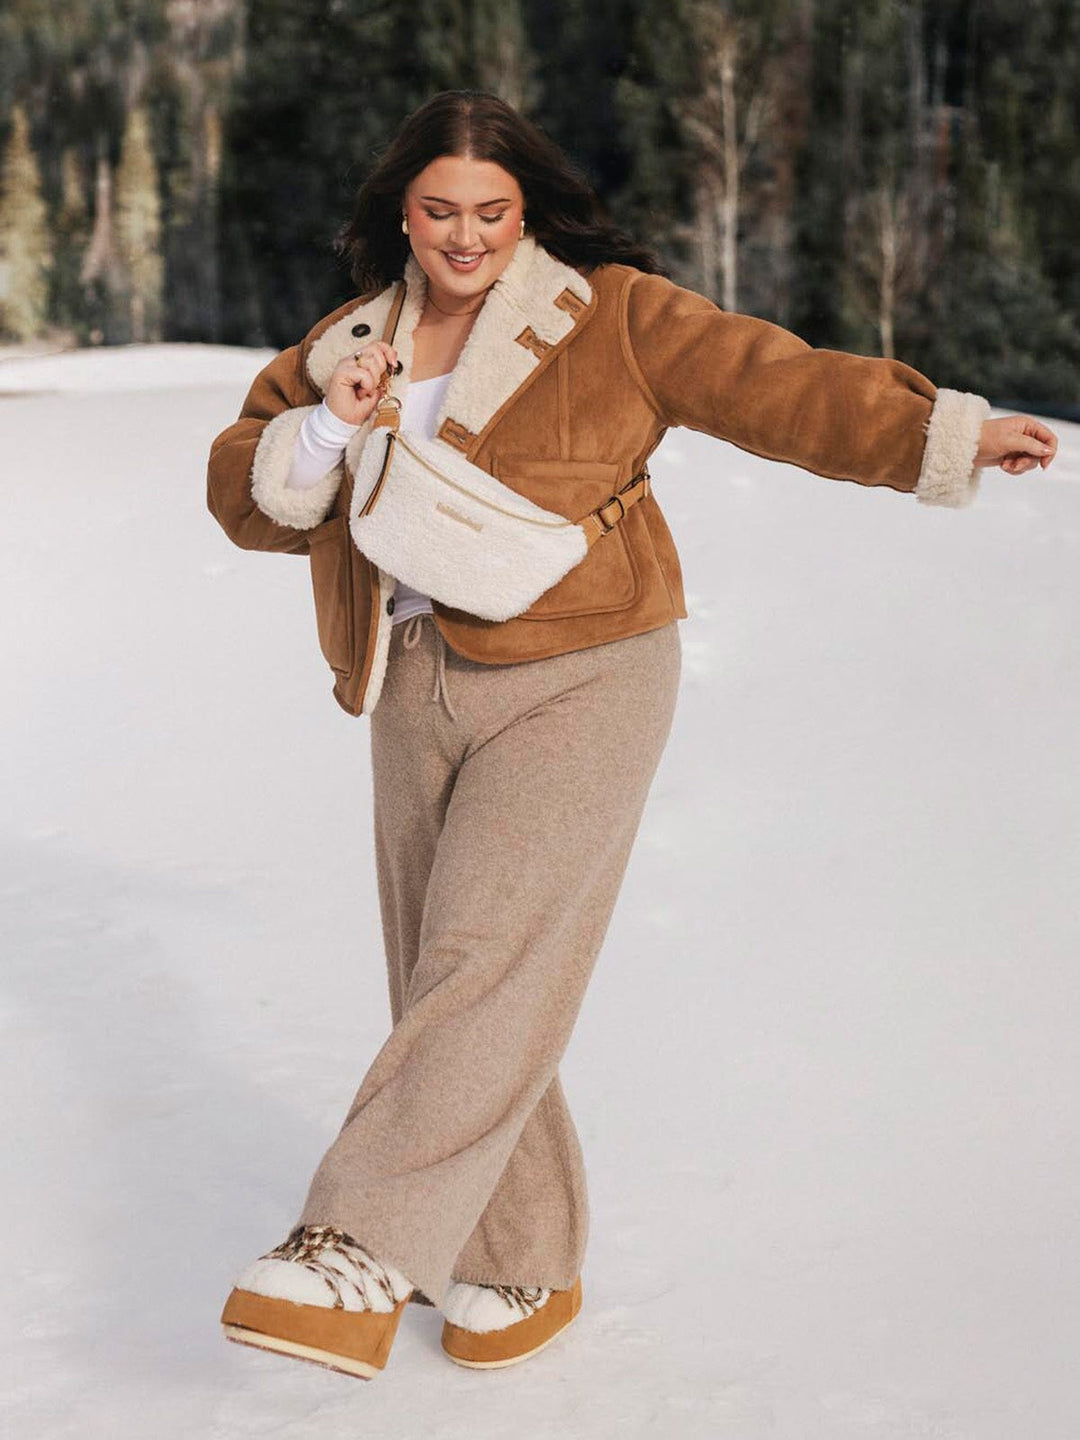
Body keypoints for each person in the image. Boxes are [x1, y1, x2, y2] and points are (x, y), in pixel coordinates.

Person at [205, 88, 1059, 1381]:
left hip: (586, 668)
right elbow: (246, 490)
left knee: (487, 955)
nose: (465, 234)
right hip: (415, 678)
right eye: (438, 210)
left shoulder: (606, 314)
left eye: (491, 211)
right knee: (464, 978)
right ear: (402, 212)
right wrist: (329, 416)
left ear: (526, 209)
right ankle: (523, 1258)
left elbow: (775, 384)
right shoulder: (351, 338)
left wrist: (942, 434)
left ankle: (355, 1246)